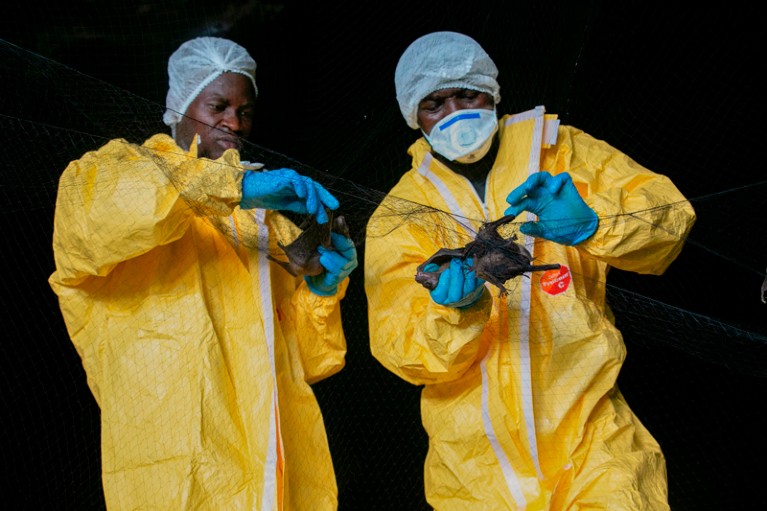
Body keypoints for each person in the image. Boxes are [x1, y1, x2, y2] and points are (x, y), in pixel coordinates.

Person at [365, 31, 696, 510]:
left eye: (467, 94)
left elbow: (670, 217)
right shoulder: (399, 215)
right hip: (476, 467)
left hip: (592, 432)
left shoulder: (559, 152)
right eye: (435, 104)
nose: (455, 113)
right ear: (412, 115)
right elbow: (403, 350)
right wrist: (457, 312)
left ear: (493, 93)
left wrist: (595, 223)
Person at [48, 36, 357, 510]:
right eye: (219, 105)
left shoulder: (263, 222)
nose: (234, 123)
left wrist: (320, 287)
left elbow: (308, 363)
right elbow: (113, 218)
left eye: (245, 110)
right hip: (173, 471)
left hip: (273, 473)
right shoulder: (110, 172)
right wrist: (237, 185)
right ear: (181, 102)